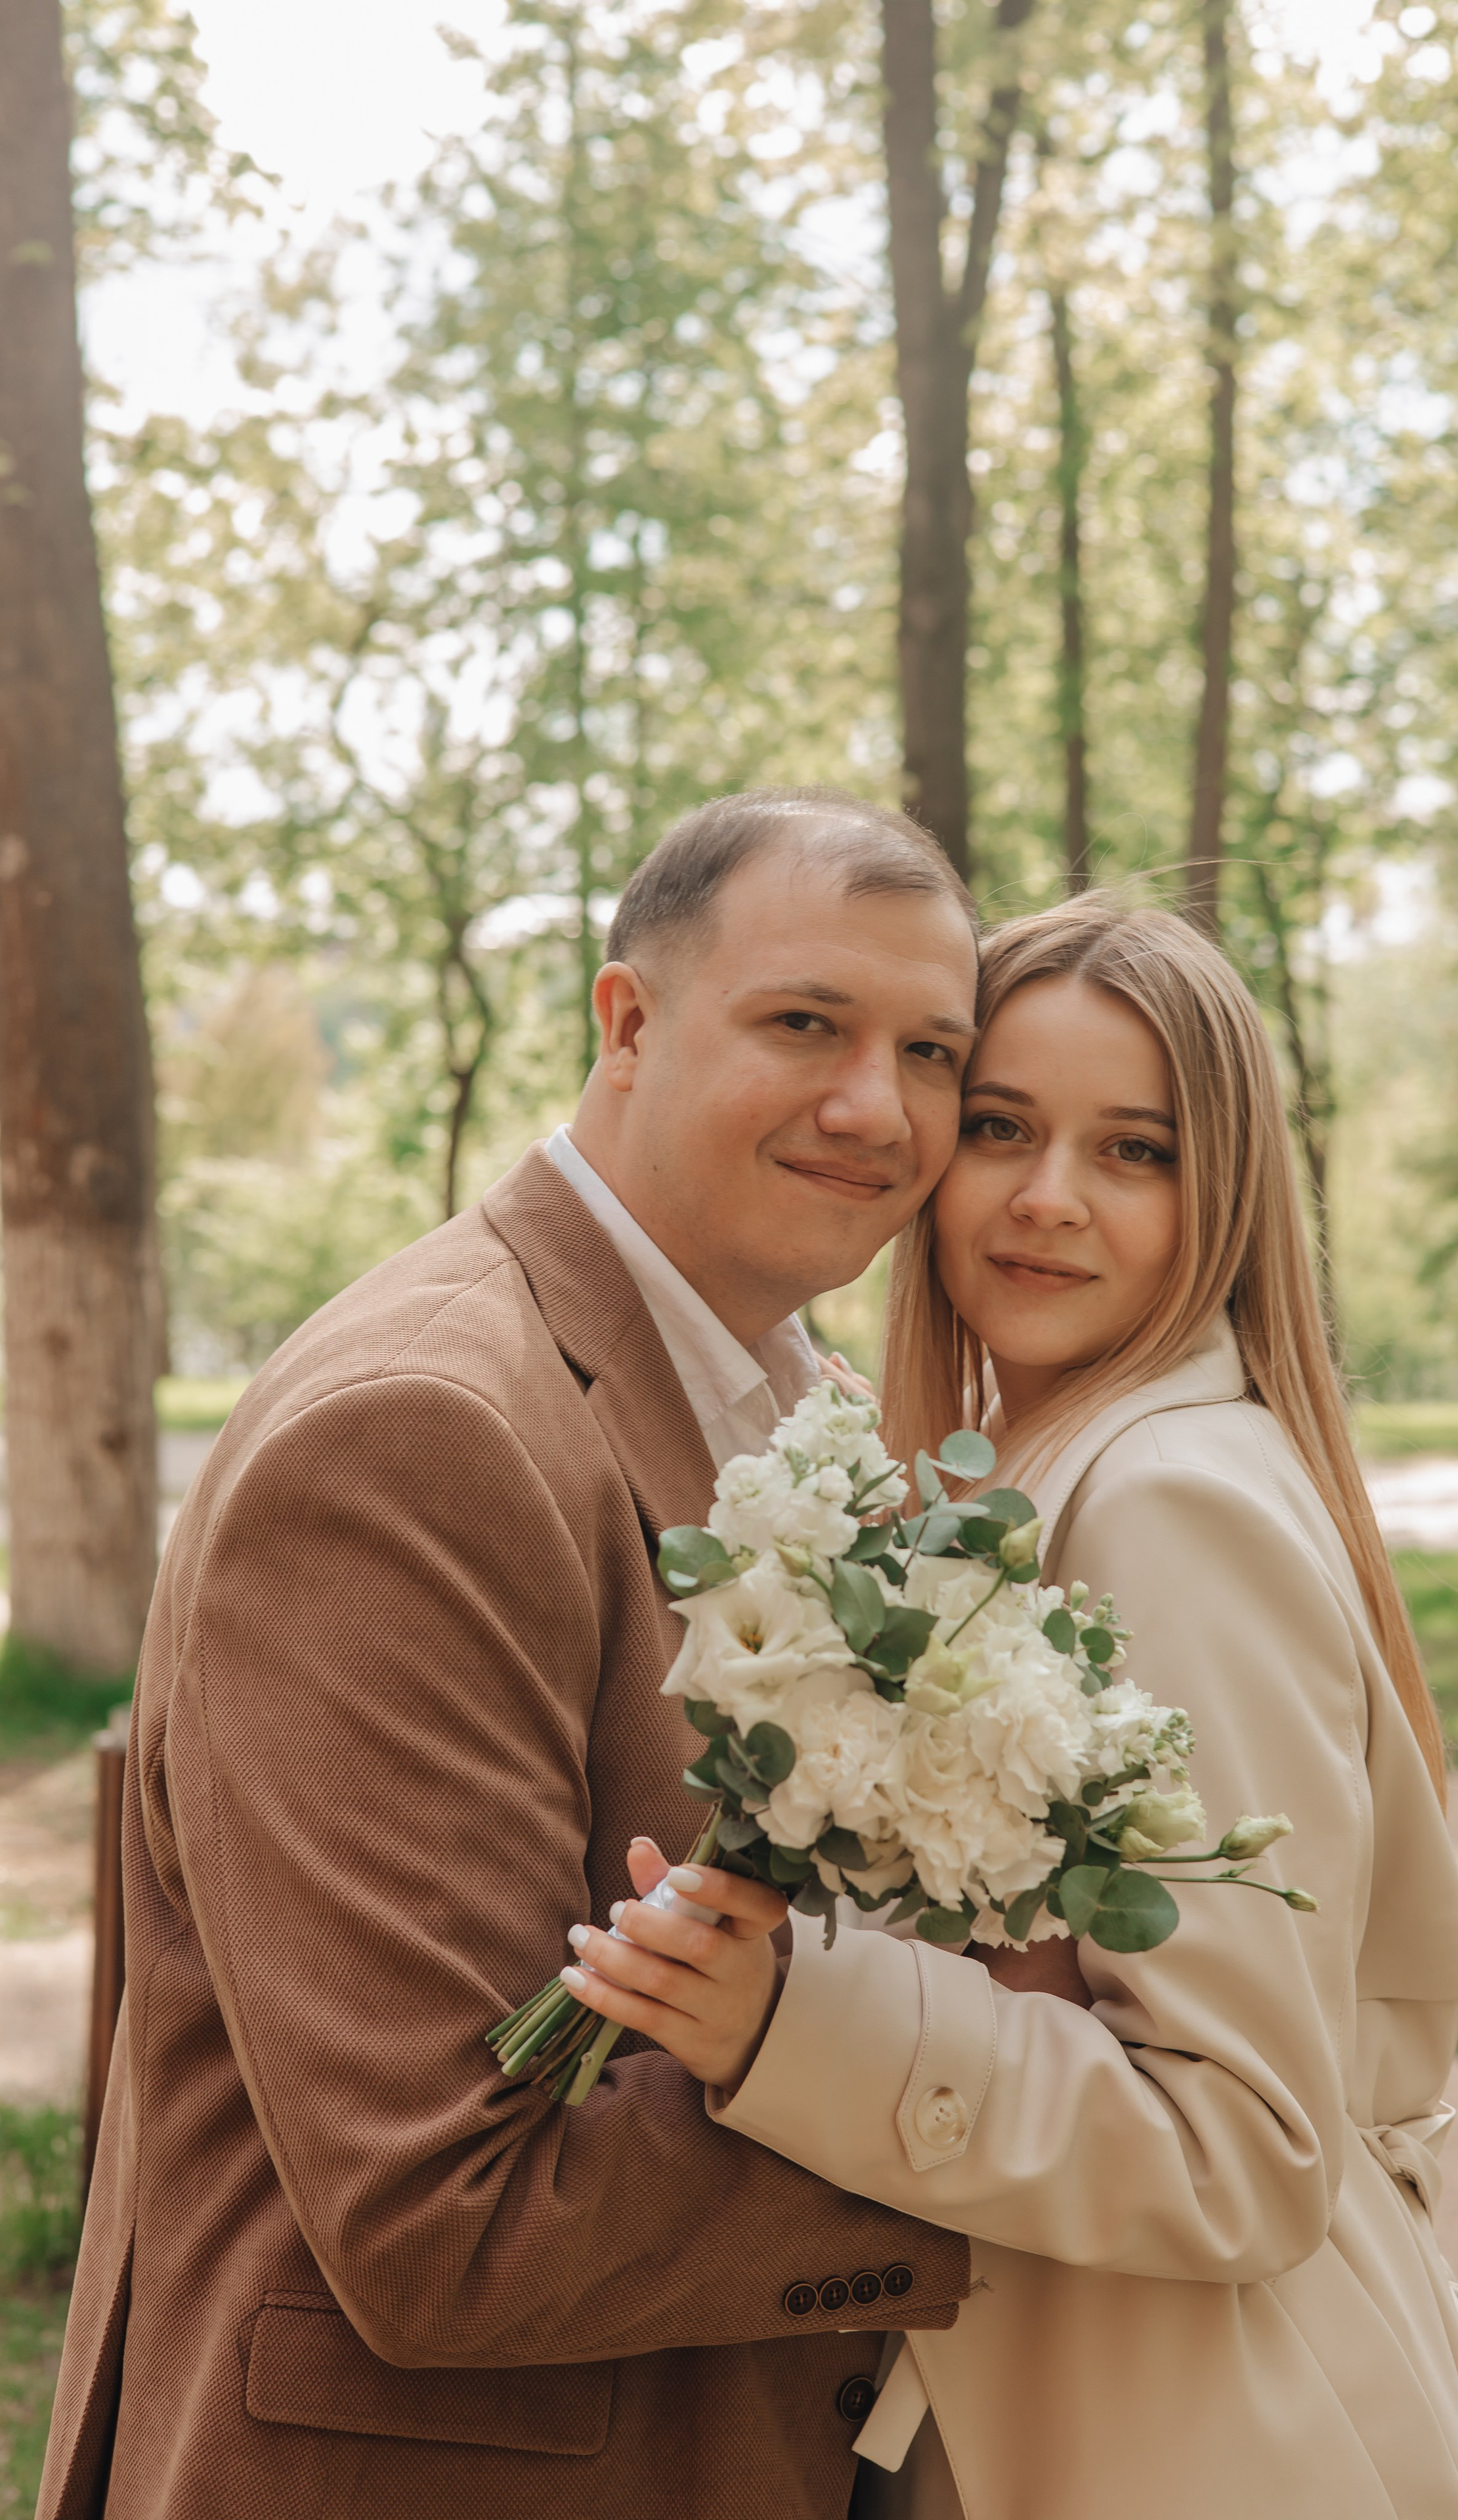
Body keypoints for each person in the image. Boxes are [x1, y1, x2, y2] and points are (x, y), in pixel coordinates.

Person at [39, 789, 983, 2520]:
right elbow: (442, 2213)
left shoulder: (821, 1413)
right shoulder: (420, 1435)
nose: (882, 1107)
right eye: (806, 1025)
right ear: (628, 1023)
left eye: (935, 1053)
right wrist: (1023, 2125)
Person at [565, 897, 1458, 2520]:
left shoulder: (1167, 1500)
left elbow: (1244, 2143)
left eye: (1133, 1152)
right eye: (1003, 1127)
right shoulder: (1026, 1472)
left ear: (1218, 1196)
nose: (1043, 1201)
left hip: (1180, 2442)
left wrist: (788, 2021)